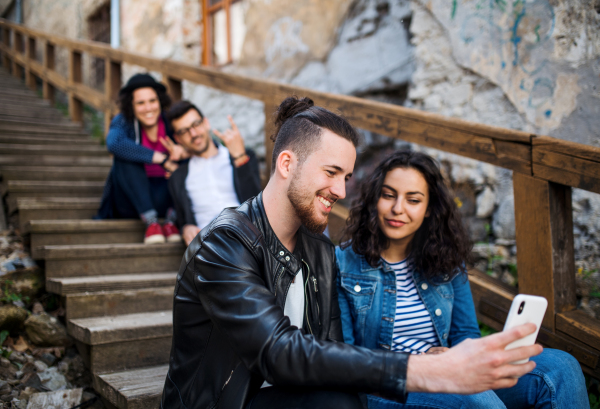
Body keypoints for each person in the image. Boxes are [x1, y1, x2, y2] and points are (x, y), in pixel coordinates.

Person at [161, 97, 543, 409]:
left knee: (552, 372)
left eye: (346, 177)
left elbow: (330, 351)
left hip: (293, 396)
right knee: (339, 404)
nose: (342, 191)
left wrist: (432, 361)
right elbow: (275, 352)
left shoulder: (318, 249)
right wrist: (424, 370)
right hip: (222, 404)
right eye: (331, 172)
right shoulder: (225, 243)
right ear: (286, 163)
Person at [336, 150, 589, 409]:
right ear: (374, 199)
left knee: (560, 368)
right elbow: (345, 357)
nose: (398, 208)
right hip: (385, 389)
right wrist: (423, 364)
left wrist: (453, 357)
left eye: (413, 200)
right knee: (477, 401)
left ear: (428, 210)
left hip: (450, 373)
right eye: (388, 195)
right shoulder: (343, 263)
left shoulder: (444, 258)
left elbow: (465, 334)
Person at [96, 73, 184, 244]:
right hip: (131, 202)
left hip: (165, 197)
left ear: (160, 101)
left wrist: (183, 152)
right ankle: (152, 223)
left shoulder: (170, 122)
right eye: (140, 103)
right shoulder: (124, 121)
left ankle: (171, 222)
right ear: (132, 106)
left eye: (152, 101)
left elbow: (199, 144)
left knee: (187, 154)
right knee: (124, 157)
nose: (148, 108)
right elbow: (113, 143)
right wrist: (159, 158)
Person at [164, 100, 261, 245]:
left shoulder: (241, 156)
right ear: (178, 139)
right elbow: (184, 219)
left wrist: (240, 159)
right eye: (184, 131)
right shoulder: (178, 177)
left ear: (206, 123)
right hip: (210, 246)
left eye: (196, 124)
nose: (193, 133)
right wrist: (186, 227)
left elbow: (258, 208)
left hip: (247, 237)